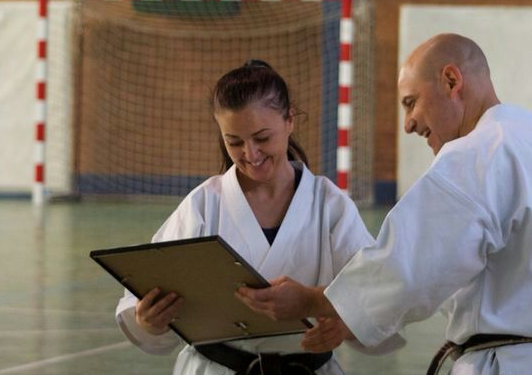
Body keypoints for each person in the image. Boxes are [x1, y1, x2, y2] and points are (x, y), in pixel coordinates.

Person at [237, 34, 532, 374]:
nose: (408, 124)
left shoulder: (474, 158)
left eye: (411, 102)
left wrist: (310, 299)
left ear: (451, 80)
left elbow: (405, 271)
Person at [115, 59, 403, 375]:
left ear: (289, 119)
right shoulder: (204, 204)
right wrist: (148, 320)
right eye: (234, 142)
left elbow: (377, 292)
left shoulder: (330, 205)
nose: (250, 154)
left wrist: (346, 326)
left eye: (262, 138)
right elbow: (143, 298)